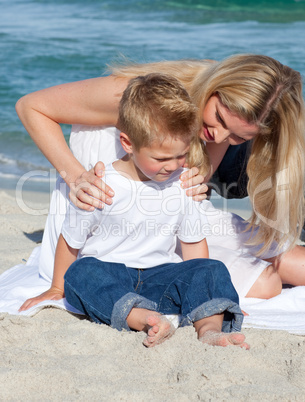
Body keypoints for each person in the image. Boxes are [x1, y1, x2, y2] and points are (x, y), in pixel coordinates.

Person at [16, 53, 305, 300]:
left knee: (290, 259)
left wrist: (197, 180)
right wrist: (77, 177)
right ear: (215, 87)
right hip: (109, 224)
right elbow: (31, 106)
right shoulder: (131, 97)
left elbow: (198, 179)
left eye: (238, 137)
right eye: (219, 118)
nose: (220, 136)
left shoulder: (218, 119)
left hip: (167, 210)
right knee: (267, 283)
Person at [20, 74, 248, 349]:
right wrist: (57, 289)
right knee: (81, 274)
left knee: (212, 269)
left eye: (181, 155)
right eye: (161, 158)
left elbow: (193, 245)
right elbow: (70, 241)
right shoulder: (101, 185)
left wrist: (212, 297)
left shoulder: (183, 184)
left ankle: (209, 328)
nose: (173, 165)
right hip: (110, 275)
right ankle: (145, 319)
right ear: (128, 144)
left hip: (160, 276)